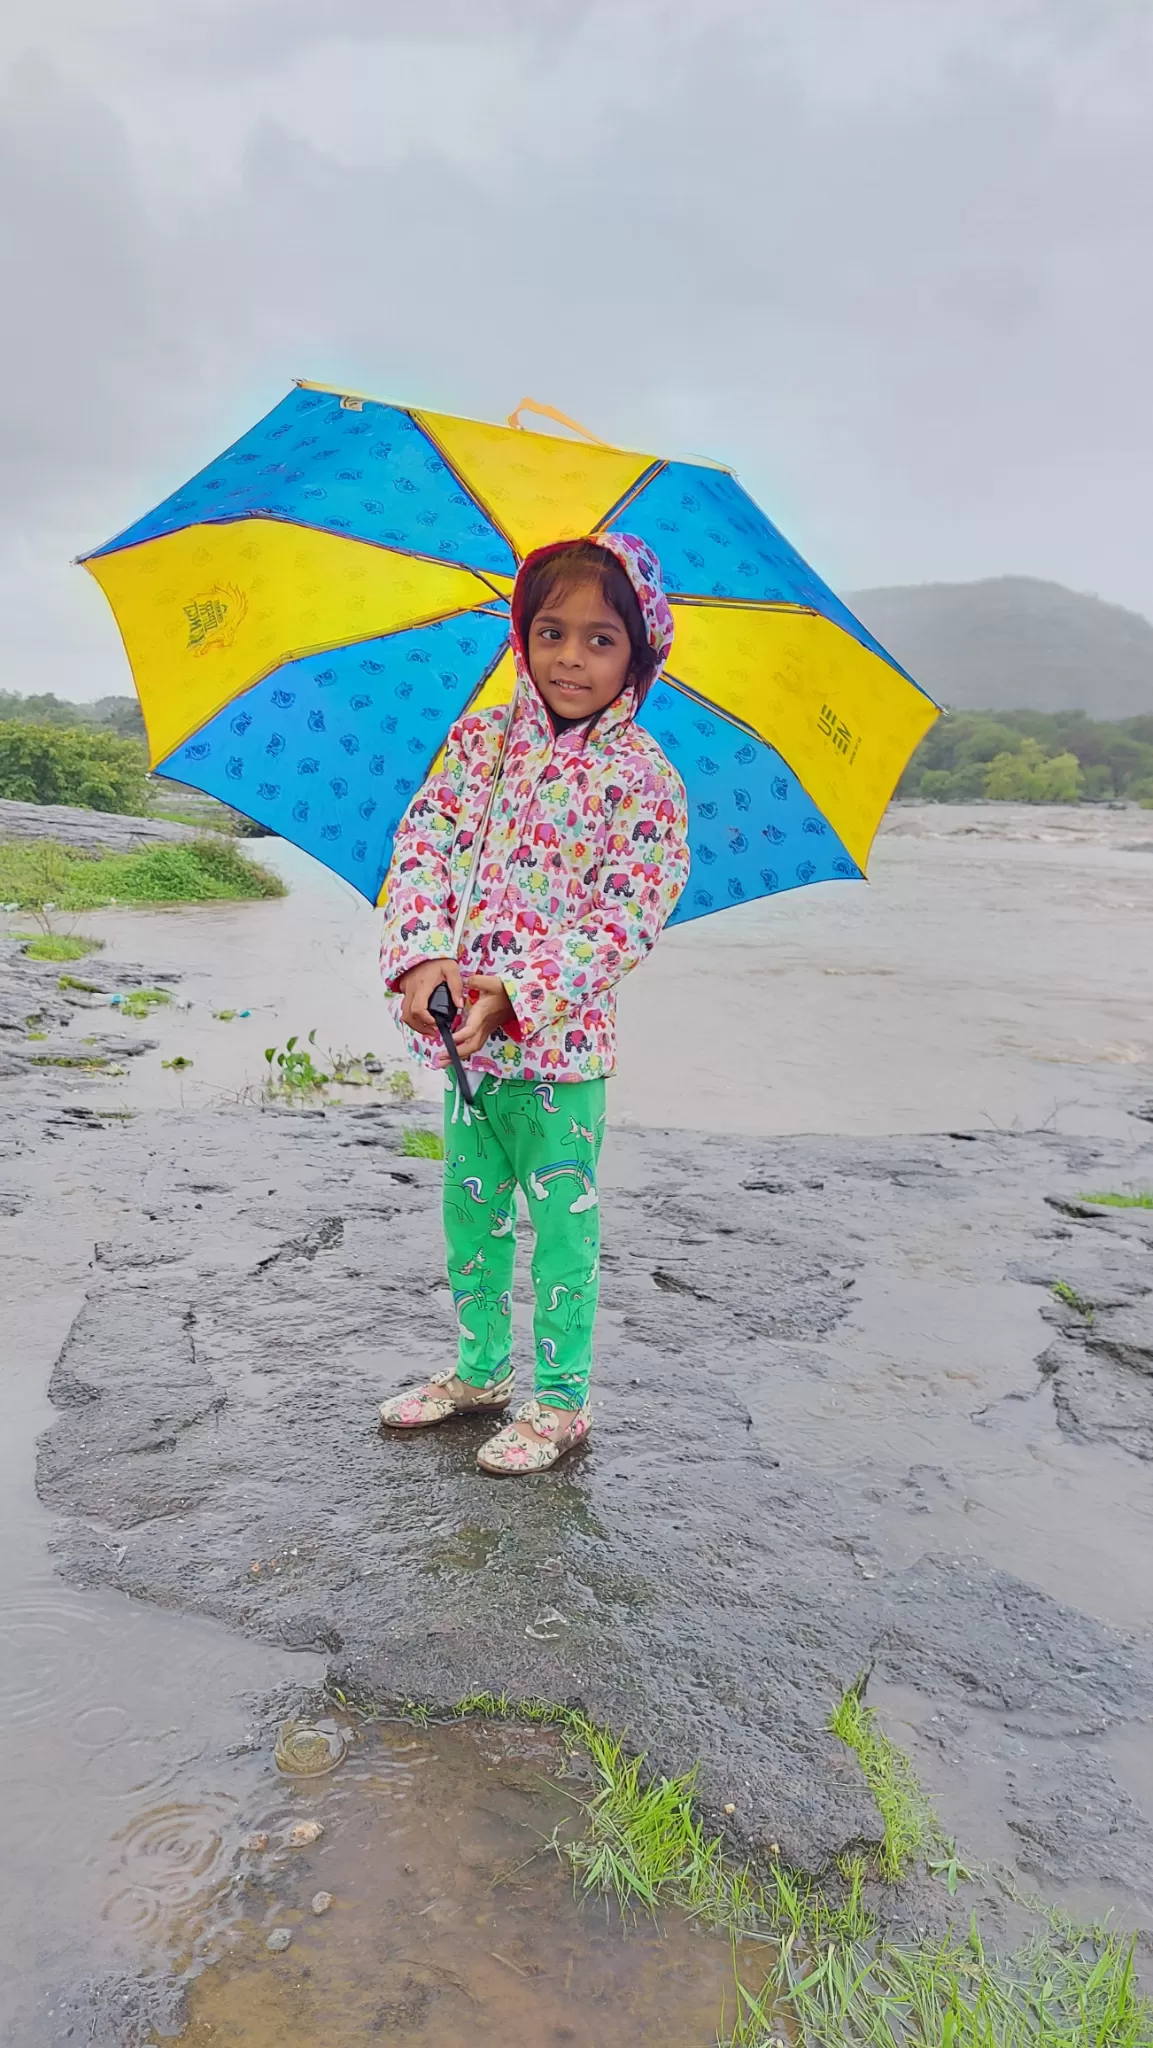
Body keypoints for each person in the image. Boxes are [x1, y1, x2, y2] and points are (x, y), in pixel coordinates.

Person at [377, 533, 689, 1473]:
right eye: (550, 631)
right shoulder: (477, 744)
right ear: (521, 636)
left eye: (600, 639)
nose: (568, 657)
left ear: (639, 652)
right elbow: (422, 846)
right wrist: (422, 964)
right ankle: (480, 1370)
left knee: (562, 1233)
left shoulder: (644, 779)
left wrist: (515, 992)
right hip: (466, 1053)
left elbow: (626, 917)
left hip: (562, 1059)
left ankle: (561, 1402)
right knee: (469, 1215)